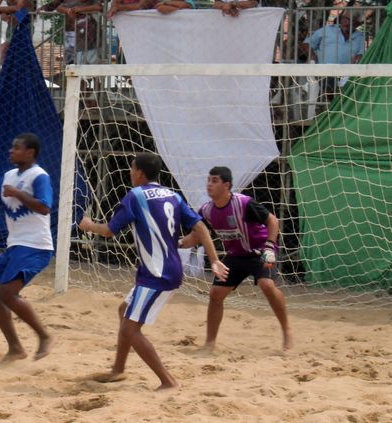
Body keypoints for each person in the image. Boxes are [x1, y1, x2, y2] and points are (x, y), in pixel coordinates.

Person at [79, 153, 228, 389]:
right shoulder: (173, 195)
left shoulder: (136, 196)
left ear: (139, 172)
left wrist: (87, 225)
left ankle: (168, 381)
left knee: (130, 328)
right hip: (164, 269)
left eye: (131, 168)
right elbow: (200, 226)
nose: (129, 172)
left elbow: (109, 231)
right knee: (124, 310)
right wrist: (214, 259)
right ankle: (118, 369)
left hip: (158, 274)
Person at [179, 166, 293, 351]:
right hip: (236, 256)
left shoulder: (244, 203)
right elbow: (196, 236)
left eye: (214, 181)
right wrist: (177, 244)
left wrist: (270, 245)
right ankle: (210, 342)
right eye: (208, 180)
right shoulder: (206, 210)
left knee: (267, 285)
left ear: (227, 185)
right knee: (216, 293)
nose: (209, 184)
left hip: (260, 251)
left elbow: (273, 220)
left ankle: (287, 331)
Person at [0, 133, 54, 362]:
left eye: (16, 148)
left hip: (35, 244)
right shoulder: (8, 175)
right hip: (15, 244)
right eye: (11, 147)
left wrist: (19, 194)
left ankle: (43, 336)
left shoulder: (39, 176)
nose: (11, 151)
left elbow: (44, 207)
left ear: (30, 153)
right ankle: (15, 347)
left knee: (7, 292)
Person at [41, 0, 102, 65]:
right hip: (70, 34)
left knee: (91, 65)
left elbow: (105, 0)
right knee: (70, 67)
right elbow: (53, 5)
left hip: (89, 36)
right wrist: (68, 10)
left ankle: (94, 80)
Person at [303, 10, 365, 94]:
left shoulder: (359, 37)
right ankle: (331, 101)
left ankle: (333, 101)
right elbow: (307, 43)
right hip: (325, 71)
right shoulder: (327, 30)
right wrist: (312, 55)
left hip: (347, 74)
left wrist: (358, 59)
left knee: (353, 84)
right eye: (343, 18)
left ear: (357, 23)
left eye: (349, 19)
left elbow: (360, 54)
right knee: (330, 82)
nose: (344, 21)